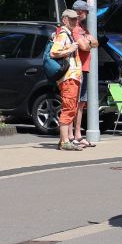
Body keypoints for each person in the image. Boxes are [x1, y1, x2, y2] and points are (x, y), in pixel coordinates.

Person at [51, 10, 84, 150]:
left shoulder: (67, 34)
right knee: (69, 108)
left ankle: (63, 141)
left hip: (72, 77)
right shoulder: (64, 34)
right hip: (68, 78)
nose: (74, 22)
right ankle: (65, 142)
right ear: (64, 20)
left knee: (70, 108)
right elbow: (54, 52)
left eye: (75, 19)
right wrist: (70, 49)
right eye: (71, 19)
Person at [70, 0, 100, 147]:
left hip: (84, 69)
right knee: (74, 103)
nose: (87, 14)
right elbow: (85, 47)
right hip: (77, 69)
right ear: (79, 12)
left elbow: (96, 42)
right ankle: (71, 136)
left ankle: (78, 134)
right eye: (85, 11)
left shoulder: (82, 28)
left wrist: (89, 41)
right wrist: (88, 42)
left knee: (81, 103)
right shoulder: (75, 28)